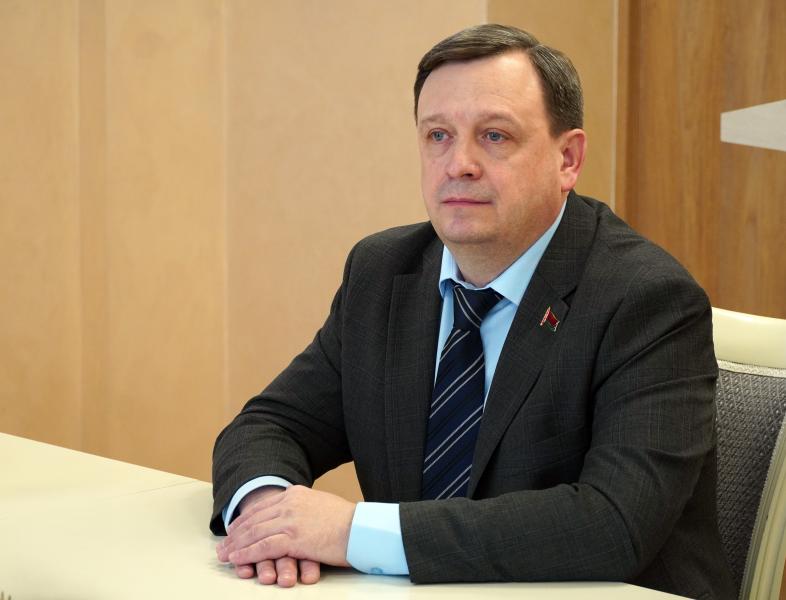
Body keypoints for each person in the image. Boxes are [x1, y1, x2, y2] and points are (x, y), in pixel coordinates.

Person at [212, 24, 734, 599]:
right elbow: (270, 426)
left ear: (568, 158)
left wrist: (351, 531)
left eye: (494, 136)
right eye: (438, 135)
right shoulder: (383, 273)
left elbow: (613, 522)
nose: (458, 163)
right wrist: (270, 514)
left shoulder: (647, 299)